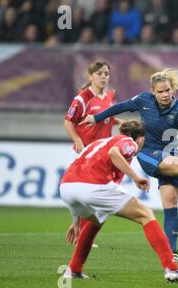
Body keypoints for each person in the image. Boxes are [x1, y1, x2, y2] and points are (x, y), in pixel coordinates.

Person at [81, 69, 178, 262]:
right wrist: (96, 118)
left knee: (171, 203)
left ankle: (172, 252)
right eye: (161, 91)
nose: (165, 94)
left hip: (168, 154)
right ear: (153, 91)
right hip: (147, 153)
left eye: (168, 90)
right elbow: (120, 107)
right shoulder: (144, 100)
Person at [60, 120, 178, 283]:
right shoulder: (129, 142)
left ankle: (74, 269)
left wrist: (76, 220)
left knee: (96, 220)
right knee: (146, 214)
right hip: (93, 186)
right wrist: (136, 177)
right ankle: (172, 270)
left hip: (66, 187)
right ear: (141, 139)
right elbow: (114, 153)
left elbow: (80, 179)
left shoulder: (100, 142)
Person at [64, 60, 122, 249]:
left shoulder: (109, 95)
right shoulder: (83, 97)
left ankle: (84, 233)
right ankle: (81, 233)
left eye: (106, 73)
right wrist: (77, 140)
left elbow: (106, 118)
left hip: (103, 152)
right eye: (99, 74)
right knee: (88, 197)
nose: (104, 77)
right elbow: (68, 122)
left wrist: (118, 121)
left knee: (96, 198)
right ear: (90, 76)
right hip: (87, 152)